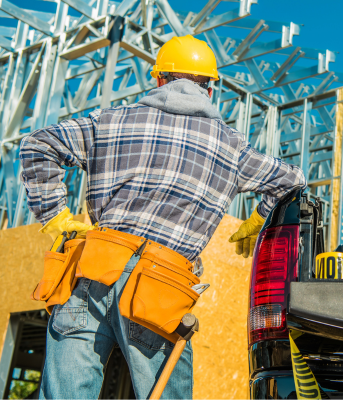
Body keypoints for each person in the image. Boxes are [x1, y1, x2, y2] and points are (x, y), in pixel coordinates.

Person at [20, 34, 306, 399]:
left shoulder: (111, 120)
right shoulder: (231, 146)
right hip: (162, 286)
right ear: (211, 90)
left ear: (158, 79)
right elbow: (291, 180)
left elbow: (38, 144)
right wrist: (258, 218)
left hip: (94, 268)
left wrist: (54, 215)